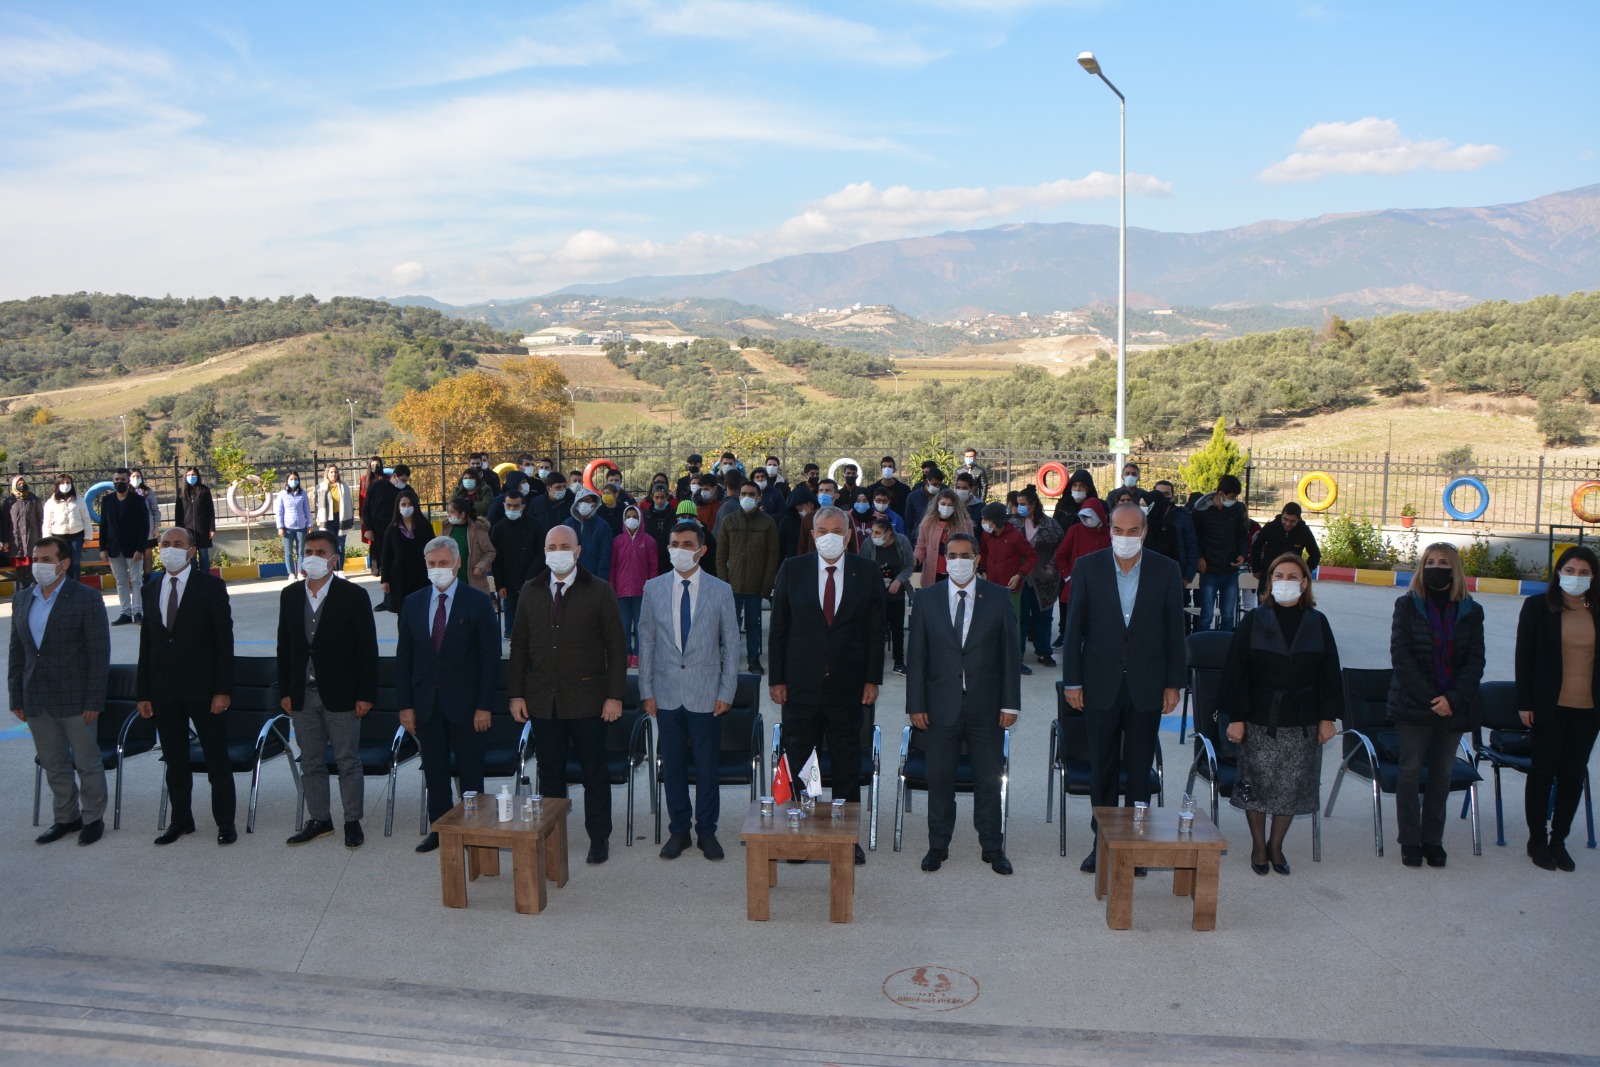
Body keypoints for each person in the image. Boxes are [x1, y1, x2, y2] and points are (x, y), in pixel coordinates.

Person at [1061, 502, 1186, 873]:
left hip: (1147, 685)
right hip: (1100, 683)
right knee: (1102, 770)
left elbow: (1175, 634)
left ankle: (1135, 846)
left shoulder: (1167, 570)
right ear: (1109, 530)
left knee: (1138, 770)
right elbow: (1074, 631)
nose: (1126, 538)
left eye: (1134, 532)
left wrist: (1174, 684)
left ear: (1145, 532)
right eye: (1120, 530)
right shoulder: (1088, 567)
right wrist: (1073, 680)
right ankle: (1101, 843)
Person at [768, 506, 885, 866]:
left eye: (837, 530)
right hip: (800, 685)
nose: (830, 536)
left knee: (847, 763)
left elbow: (875, 632)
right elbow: (779, 630)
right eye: (822, 530)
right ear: (813, 534)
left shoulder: (866, 572)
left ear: (850, 535)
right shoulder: (793, 568)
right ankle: (800, 835)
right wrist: (777, 678)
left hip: (848, 685)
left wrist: (872, 679)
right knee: (801, 759)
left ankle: (845, 839)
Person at [510, 524, 628, 865]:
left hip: (589, 699)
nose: (558, 551)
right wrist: (517, 694)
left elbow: (617, 649)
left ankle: (599, 838)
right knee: (550, 773)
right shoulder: (531, 591)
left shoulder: (599, 590)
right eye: (552, 546)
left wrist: (614, 696)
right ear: (545, 551)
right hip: (544, 700)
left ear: (578, 551)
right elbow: (518, 647)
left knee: (595, 771)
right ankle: (551, 838)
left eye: (565, 545)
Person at [1220, 554, 1342, 876]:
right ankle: (1259, 846)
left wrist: (1328, 717)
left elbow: (1330, 673)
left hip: (1302, 721)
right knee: (1256, 786)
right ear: (1270, 581)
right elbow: (1236, 672)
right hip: (1259, 718)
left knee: (1292, 787)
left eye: (1292, 576)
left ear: (1304, 583)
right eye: (1279, 576)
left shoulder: (1318, 622)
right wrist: (1236, 717)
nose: (1285, 582)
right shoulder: (1254, 620)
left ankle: (1277, 845)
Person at [906, 532, 1020, 875]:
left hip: (987, 707)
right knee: (939, 779)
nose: (958, 560)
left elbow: (1009, 656)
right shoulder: (927, 599)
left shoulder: (999, 598)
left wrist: (1010, 705)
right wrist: (916, 704)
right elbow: (918, 658)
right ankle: (937, 845)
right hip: (940, 706)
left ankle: (992, 847)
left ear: (977, 559)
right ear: (944, 559)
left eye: (965, 554)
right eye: (951, 555)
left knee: (989, 780)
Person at [638, 521, 740, 860]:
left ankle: (707, 832)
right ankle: (679, 831)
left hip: (707, 693)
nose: (679, 549)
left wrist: (726, 691)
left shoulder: (720, 590)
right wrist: (646, 690)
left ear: (701, 550)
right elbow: (647, 641)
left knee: (708, 767)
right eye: (674, 543)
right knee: (674, 766)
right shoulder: (653, 588)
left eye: (686, 543)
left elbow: (730, 646)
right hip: (665, 693)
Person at [278, 531, 379, 850]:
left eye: (321, 552)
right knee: (310, 760)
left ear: (335, 558)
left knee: (348, 759)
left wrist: (365, 693)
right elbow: (285, 646)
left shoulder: (353, 595)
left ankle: (352, 821)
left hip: (343, 694)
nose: (313, 557)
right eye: (308, 551)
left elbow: (367, 649)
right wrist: (285, 690)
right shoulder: (290, 595)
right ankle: (320, 819)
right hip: (302, 695)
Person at [1386, 542, 1485, 869]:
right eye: (1430, 561)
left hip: (1455, 706)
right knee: (1411, 770)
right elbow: (1402, 657)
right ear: (1421, 567)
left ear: (1454, 568)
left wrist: (1453, 699)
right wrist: (1433, 698)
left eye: (1443, 562)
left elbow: (1475, 661)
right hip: (1414, 705)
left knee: (1442, 773)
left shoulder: (1471, 611)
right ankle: (1410, 840)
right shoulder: (1407, 606)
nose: (1436, 567)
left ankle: (1433, 839)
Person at [137, 527, 237, 846]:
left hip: (205, 692)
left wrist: (222, 690)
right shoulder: (150, 589)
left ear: (192, 551)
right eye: (165, 544)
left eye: (177, 544)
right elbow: (147, 645)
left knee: (216, 761)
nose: (170, 549)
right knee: (175, 761)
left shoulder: (211, 587)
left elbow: (224, 642)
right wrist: (144, 693)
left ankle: (225, 823)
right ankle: (181, 820)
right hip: (164, 691)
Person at [399, 537, 500, 853]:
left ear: (457, 563)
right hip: (426, 704)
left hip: (468, 706)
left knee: (471, 773)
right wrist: (405, 706)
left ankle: (473, 830)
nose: (438, 569)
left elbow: (490, 658)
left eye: (443, 563)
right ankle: (441, 830)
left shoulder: (478, 602)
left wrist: (484, 705)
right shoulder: (413, 602)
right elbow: (405, 658)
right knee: (435, 771)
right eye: (432, 564)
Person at [9, 535, 111, 846]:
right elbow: (17, 651)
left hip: (77, 699)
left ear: (64, 564)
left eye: (46, 560)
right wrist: (16, 696)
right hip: (36, 697)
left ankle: (93, 817)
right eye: (35, 560)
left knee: (86, 762)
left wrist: (94, 698)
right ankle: (66, 817)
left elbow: (99, 654)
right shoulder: (23, 599)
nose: (39, 566)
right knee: (53, 763)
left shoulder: (86, 599)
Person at [1516, 544, 1600, 872]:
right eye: (1570, 571)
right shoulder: (1538, 607)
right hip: (1549, 706)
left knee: (1572, 775)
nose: (1576, 577)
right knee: (1542, 772)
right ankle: (1536, 839)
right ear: (1558, 573)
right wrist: (1524, 703)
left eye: (1584, 572)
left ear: (1593, 577)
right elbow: (1524, 658)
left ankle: (1558, 840)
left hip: (1589, 708)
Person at [716, 479, 780, 674]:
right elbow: (721, 555)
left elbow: (772, 557)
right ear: (738, 496)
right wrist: (723, 582)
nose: (747, 498)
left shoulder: (767, 523)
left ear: (758, 497)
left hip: (755, 585)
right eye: (743, 494)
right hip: (732, 585)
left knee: (754, 624)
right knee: (731, 625)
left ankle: (753, 660)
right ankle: (729, 660)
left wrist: (766, 585)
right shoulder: (729, 521)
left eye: (751, 495)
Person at [1191, 474, 1249, 632]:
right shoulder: (1201, 510)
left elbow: (1242, 535)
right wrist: (1199, 557)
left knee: (1228, 615)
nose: (1234, 500)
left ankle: (1225, 650)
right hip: (1209, 570)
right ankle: (1201, 650)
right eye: (1232, 496)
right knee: (1206, 615)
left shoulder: (1236, 509)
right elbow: (1194, 537)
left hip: (1230, 570)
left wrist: (1242, 555)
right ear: (1221, 494)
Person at [1014, 486, 1063, 669]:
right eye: (1018, 504)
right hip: (1020, 577)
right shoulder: (1013, 524)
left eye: (1023, 504)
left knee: (1043, 617)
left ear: (1033, 505)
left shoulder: (1051, 526)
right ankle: (1017, 653)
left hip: (1044, 580)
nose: (1019, 507)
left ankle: (1044, 651)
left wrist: (1051, 566)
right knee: (1021, 617)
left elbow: (1060, 547)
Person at [490, 489, 545, 641]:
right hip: (508, 583)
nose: (512, 509)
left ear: (523, 506)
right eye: (509, 505)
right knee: (514, 622)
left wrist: (531, 576)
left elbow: (542, 553)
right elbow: (496, 559)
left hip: (532, 581)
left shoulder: (535, 526)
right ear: (504, 505)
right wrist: (499, 584)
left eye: (516, 506)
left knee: (533, 619)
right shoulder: (498, 528)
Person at [98, 468, 149, 626]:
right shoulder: (107, 501)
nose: (119, 482)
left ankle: (138, 612)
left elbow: (144, 526)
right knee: (120, 582)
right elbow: (103, 526)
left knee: (136, 581)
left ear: (128, 482)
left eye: (122, 480)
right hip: (114, 548)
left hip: (133, 548)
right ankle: (125, 612)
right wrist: (102, 548)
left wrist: (140, 549)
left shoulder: (138, 501)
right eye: (116, 480)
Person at [612, 503, 659, 666]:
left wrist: (650, 588)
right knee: (624, 625)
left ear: (640, 519)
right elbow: (613, 566)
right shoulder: (617, 541)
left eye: (634, 517)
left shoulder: (649, 542)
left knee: (641, 625)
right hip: (622, 592)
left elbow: (653, 568)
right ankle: (626, 653)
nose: (631, 520)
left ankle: (638, 654)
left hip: (642, 592)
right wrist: (613, 587)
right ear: (623, 519)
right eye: (628, 517)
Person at [379, 489, 433, 613]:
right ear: (398, 507)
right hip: (399, 579)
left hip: (421, 577)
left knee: (422, 612)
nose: (407, 507)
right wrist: (385, 579)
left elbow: (432, 550)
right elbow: (386, 556)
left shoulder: (425, 527)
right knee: (403, 614)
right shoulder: (392, 529)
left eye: (410, 504)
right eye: (403, 504)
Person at [1249, 501, 1321, 590]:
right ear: (1282, 515)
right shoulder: (1270, 527)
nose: (1287, 524)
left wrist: (1304, 571)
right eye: (1285, 519)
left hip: (1292, 578)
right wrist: (1256, 569)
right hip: (1268, 575)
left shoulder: (1304, 531)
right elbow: (1257, 546)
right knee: (1265, 603)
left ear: (1298, 519)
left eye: (1292, 521)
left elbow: (1315, 554)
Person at [912, 487, 972, 587]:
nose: (946, 508)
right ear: (937, 504)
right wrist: (915, 559)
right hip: (932, 575)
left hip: (957, 575)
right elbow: (921, 547)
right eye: (943, 504)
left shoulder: (965, 523)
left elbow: (971, 549)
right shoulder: (928, 522)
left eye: (950, 505)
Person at [43, 474, 92, 580]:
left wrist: (88, 535)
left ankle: (75, 586)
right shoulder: (51, 502)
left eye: (68, 482)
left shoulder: (79, 500)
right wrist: (47, 539)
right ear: (57, 485)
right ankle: (62, 587)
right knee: (61, 563)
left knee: (74, 563)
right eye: (63, 483)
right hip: (58, 537)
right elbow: (47, 522)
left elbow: (86, 518)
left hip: (76, 536)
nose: (65, 485)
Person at [444, 495, 495, 596]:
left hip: (474, 580)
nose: (449, 515)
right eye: (448, 512)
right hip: (452, 580)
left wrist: (480, 566)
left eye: (452, 512)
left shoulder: (477, 530)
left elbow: (490, 552)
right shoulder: (447, 528)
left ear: (462, 514)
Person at [3, 475, 45, 588]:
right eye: (18, 484)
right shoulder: (9, 502)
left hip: (33, 539)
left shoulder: (34, 500)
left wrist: (41, 539)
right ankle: (21, 595)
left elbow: (40, 520)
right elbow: (5, 522)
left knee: (33, 570)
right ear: (14, 486)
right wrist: (5, 540)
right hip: (16, 541)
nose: (21, 485)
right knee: (20, 571)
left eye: (22, 483)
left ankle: (34, 593)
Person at [564, 488, 613, 581]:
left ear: (594, 504)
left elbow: (604, 557)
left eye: (587, 501)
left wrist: (601, 582)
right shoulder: (567, 525)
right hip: (570, 578)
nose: (583, 503)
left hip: (593, 579)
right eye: (581, 501)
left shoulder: (603, 527)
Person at [363, 464, 400, 583]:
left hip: (396, 528)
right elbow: (366, 509)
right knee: (383, 553)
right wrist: (368, 528)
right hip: (379, 528)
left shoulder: (403, 490)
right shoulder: (375, 488)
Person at [315, 464, 354, 570]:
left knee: (340, 546)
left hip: (341, 519)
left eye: (335, 472)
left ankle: (340, 569)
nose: (334, 474)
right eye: (331, 472)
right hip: (328, 520)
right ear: (327, 473)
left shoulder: (344, 486)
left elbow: (349, 503)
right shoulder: (321, 487)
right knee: (330, 546)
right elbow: (317, 505)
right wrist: (319, 519)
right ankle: (331, 569)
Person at [275, 472, 313, 581]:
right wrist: (280, 527)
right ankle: (291, 573)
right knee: (289, 552)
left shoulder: (303, 494)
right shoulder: (282, 494)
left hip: (301, 526)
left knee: (301, 551)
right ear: (287, 481)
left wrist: (309, 525)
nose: (293, 481)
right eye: (291, 479)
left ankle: (300, 572)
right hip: (287, 527)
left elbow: (307, 510)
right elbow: (279, 512)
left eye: (295, 479)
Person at [130, 468, 161, 578]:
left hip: (148, 527)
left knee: (147, 553)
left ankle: (147, 577)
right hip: (132, 529)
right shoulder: (126, 492)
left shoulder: (147, 491)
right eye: (133, 476)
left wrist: (157, 526)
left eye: (138, 476)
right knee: (134, 553)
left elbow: (155, 509)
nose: (136, 479)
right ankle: (136, 577)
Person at [642, 483, 677, 572]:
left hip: (669, 556)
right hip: (650, 555)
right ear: (652, 497)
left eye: (662, 497)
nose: (660, 500)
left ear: (667, 497)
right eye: (657, 497)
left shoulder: (674, 514)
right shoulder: (646, 514)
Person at [904, 466, 946, 537]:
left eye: (939, 485)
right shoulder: (913, 497)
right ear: (926, 482)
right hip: (917, 537)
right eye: (934, 484)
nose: (937, 487)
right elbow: (908, 523)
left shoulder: (942, 496)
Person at [778, 484, 815, 561]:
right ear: (797, 506)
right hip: (792, 561)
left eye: (812, 503)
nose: (811, 506)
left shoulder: (817, 520)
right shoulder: (786, 522)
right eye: (807, 504)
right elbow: (781, 547)